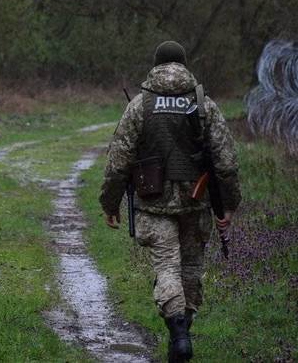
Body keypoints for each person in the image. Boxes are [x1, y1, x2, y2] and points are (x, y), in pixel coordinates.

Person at [99, 41, 241, 362]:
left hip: (153, 203)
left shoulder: (140, 105)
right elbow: (227, 163)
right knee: (191, 268)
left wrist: (110, 204)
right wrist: (229, 204)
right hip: (197, 202)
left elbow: (119, 161)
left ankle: (178, 337)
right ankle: (183, 334)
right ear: (184, 64)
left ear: (156, 65)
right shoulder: (205, 105)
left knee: (167, 267)